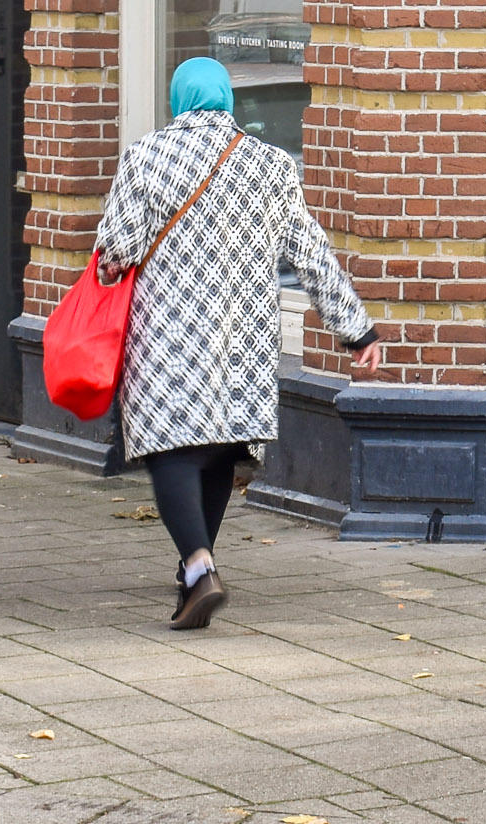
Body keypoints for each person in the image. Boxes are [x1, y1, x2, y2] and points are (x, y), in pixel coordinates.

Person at [97, 58, 385, 629]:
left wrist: (111, 264)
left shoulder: (146, 155)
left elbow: (117, 252)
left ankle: (199, 565)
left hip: (169, 336)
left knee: (171, 449)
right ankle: (194, 574)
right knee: (220, 449)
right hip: (243, 343)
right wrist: (356, 330)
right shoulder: (271, 164)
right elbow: (310, 254)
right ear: (228, 100)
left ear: (178, 99)